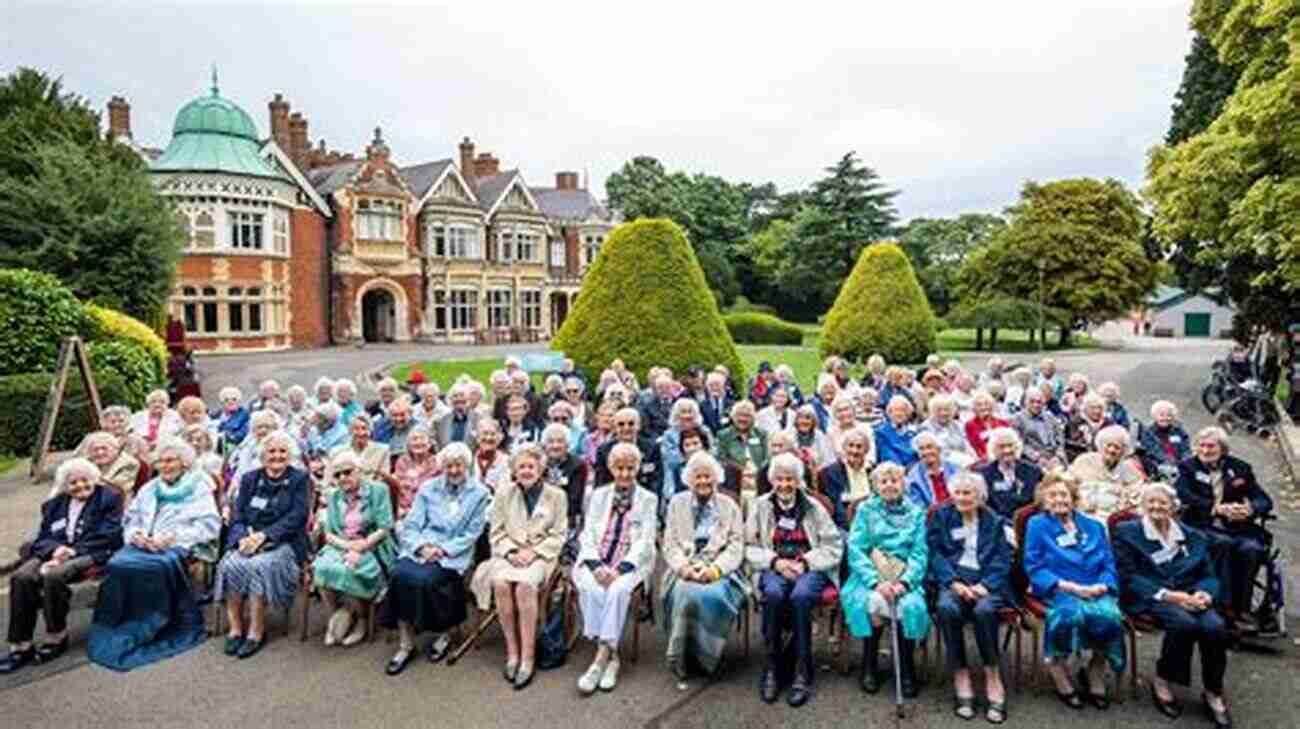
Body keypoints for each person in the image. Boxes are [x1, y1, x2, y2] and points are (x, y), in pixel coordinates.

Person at [87, 439, 220, 671]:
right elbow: (131, 519)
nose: (165, 466)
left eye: (171, 461)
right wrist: (136, 534)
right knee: (117, 563)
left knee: (157, 566)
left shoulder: (199, 487)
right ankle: (122, 620)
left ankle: (160, 623)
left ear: (184, 463)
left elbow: (209, 526)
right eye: (161, 461)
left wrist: (171, 538)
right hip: (144, 542)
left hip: (176, 544)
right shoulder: (150, 487)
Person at [1112, 482, 1232, 727]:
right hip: (1152, 595)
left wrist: (1205, 594)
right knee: (1184, 623)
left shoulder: (1192, 536)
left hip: (1191, 594)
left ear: (1174, 507)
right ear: (1142, 506)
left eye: (1163, 502)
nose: (1156, 506)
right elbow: (1128, 576)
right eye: (1151, 502)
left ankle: (1213, 691)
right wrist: (1170, 596)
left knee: (1215, 627)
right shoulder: (1127, 531)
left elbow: (1208, 574)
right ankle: (1163, 679)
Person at [1, 458, 123, 674]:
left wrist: (71, 552)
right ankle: (21, 645)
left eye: (84, 480)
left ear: (94, 478)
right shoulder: (54, 504)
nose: (80, 486)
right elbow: (42, 536)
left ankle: (56, 635)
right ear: (65, 486)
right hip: (55, 551)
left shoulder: (109, 498)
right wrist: (55, 551)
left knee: (55, 576)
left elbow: (110, 534)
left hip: (91, 551)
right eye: (73, 482)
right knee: (21, 577)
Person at [382, 442, 490, 675]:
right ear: (441, 466)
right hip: (421, 547)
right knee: (398, 575)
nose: (453, 471)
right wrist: (421, 547)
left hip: (453, 552)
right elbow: (412, 524)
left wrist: (442, 550)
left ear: (467, 465)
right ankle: (406, 643)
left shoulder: (479, 493)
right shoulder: (428, 488)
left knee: (428, 580)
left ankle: (445, 632)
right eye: (448, 465)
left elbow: (472, 533)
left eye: (458, 465)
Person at [1023, 470, 1126, 710]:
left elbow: (1109, 563)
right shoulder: (1037, 525)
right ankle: (1057, 667)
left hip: (1096, 585)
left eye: (1064, 494)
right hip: (1059, 586)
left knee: (1109, 616)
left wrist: (1103, 585)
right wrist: (1071, 588)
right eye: (1053, 495)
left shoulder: (1094, 525)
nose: (1059, 500)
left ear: (1074, 497)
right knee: (1068, 616)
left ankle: (1095, 670)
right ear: (1044, 500)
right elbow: (1034, 565)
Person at [746, 453, 842, 707]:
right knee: (774, 595)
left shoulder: (813, 507)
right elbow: (748, 546)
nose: (785, 485)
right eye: (780, 479)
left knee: (801, 596)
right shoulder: (759, 506)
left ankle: (802, 668)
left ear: (798, 481)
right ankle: (772, 667)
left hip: (808, 566)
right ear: (772, 481)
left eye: (790, 479)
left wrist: (806, 563)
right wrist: (775, 562)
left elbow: (833, 546)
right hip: (774, 565)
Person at [471, 445, 568, 690]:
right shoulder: (504, 493)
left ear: (540, 468)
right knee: (501, 584)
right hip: (509, 553)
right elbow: (496, 532)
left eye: (531, 466)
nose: (526, 471)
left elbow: (559, 534)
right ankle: (512, 653)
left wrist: (533, 552)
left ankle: (528, 657)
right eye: (521, 466)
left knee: (525, 586)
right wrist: (511, 552)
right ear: (514, 470)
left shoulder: (556, 495)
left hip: (540, 556)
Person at [214, 431, 309, 659]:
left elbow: (298, 516)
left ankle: (256, 631)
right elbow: (237, 515)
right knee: (230, 564)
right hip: (247, 538)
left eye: (282, 451)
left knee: (259, 566)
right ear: (262, 454)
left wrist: (264, 536)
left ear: (290, 455)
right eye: (272, 451)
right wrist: (241, 539)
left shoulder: (298, 478)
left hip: (283, 541)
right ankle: (236, 628)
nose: (277, 456)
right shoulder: (250, 478)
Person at [573, 443, 659, 695]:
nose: (624, 474)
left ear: (637, 468)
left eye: (630, 468)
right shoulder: (598, 495)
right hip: (597, 559)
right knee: (592, 588)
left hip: (628, 562)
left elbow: (645, 540)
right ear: (611, 468)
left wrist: (620, 568)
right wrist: (596, 565)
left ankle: (600, 659)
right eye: (619, 468)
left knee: (618, 591)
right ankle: (613, 658)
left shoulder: (648, 498)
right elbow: (587, 533)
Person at [927, 472, 1012, 723]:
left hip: (986, 583)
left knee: (984, 611)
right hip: (953, 580)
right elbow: (935, 554)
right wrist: (953, 582)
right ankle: (960, 671)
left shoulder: (994, 521)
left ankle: (992, 673)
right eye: (958, 493)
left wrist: (986, 585)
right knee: (947, 608)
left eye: (968, 493)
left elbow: (1002, 559)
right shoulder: (942, 517)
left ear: (980, 496)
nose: (962, 498)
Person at [841, 462, 929, 698]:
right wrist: (875, 581)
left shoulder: (916, 512)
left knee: (910, 606)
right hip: (870, 574)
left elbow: (919, 553)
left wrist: (905, 582)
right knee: (871, 603)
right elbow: (856, 549)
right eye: (884, 481)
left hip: (903, 575)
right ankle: (869, 664)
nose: (890, 485)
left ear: (903, 484)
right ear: (875, 485)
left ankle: (906, 666)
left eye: (895, 480)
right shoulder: (866, 510)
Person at [661, 451, 747, 686]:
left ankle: (706, 656)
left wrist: (716, 570)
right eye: (697, 477)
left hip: (720, 569)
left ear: (716, 478)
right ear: (689, 479)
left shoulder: (729, 506)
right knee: (685, 593)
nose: (703, 482)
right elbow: (669, 544)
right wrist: (683, 569)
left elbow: (736, 546)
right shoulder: (676, 503)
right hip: (686, 567)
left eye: (707, 476)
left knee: (712, 594)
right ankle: (682, 657)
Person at [1174, 426, 1273, 628]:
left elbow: (1263, 500)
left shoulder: (1240, 468)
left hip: (1238, 527)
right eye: (1201, 446)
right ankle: (1224, 606)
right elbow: (1183, 494)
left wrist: (1250, 509)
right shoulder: (1188, 467)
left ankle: (1242, 608)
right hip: (1202, 525)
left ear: (1223, 448)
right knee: (1223, 543)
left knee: (1251, 549)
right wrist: (1215, 508)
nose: (1205, 450)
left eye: (1210, 446)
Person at [313, 449, 397, 647]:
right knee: (321, 568)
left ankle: (361, 619)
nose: (343, 477)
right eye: (338, 474)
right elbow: (330, 533)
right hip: (342, 543)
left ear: (359, 471)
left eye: (348, 472)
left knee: (351, 569)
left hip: (372, 544)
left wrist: (362, 546)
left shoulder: (378, 491)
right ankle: (335, 619)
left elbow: (385, 527)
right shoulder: (334, 496)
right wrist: (347, 546)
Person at [1070, 425, 1144, 524]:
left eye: (1117, 447)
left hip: (1115, 518)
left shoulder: (1130, 469)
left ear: (1123, 451)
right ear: (1100, 445)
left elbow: (1136, 496)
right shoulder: (1084, 461)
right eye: (1108, 445)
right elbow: (1070, 486)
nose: (1111, 450)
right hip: (1085, 513)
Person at [976, 428, 1043, 519]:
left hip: (1027, 521)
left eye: (1010, 445)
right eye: (1001, 447)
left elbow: (1037, 503)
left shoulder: (1034, 471)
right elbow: (986, 507)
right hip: (998, 523)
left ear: (1017, 447)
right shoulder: (983, 474)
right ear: (993, 449)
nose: (1007, 450)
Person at [817, 426, 874, 532]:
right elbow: (836, 508)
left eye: (859, 447)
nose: (854, 450)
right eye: (850, 446)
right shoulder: (830, 472)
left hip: (872, 519)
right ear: (844, 448)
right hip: (845, 523)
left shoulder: (873, 471)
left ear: (866, 450)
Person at [594, 408, 661, 492]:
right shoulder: (603, 451)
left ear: (639, 426)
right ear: (614, 427)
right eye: (621, 424)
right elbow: (600, 483)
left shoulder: (652, 448)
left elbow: (656, 481)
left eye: (631, 424)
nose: (626, 428)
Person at [328, 412, 392, 490]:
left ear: (370, 431)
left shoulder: (383, 450)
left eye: (364, 428)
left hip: (371, 493)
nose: (360, 433)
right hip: (343, 492)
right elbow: (329, 479)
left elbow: (383, 479)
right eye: (356, 429)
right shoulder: (336, 451)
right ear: (350, 431)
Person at [717, 400, 768, 495]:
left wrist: (757, 472)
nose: (743, 419)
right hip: (734, 480)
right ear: (733, 417)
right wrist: (741, 470)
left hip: (758, 478)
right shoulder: (723, 435)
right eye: (739, 415)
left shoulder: (761, 434)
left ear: (753, 418)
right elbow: (721, 458)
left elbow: (767, 457)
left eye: (747, 416)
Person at [75, 430, 142, 501]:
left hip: (117, 503)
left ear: (115, 449)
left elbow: (117, 489)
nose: (100, 452)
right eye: (95, 449)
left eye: (104, 448)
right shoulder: (86, 463)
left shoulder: (129, 463)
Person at [391, 427, 441, 520]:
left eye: (422, 438)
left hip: (429, 511)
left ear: (429, 444)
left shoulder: (437, 463)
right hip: (404, 511)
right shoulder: (402, 462)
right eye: (414, 439)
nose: (418, 442)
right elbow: (398, 489)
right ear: (409, 445)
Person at [904, 432, 961, 509]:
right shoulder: (913, 477)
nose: (926, 452)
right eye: (921, 449)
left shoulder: (954, 468)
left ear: (938, 449)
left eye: (929, 447)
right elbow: (919, 506)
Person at [1138, 400, 1191, 482]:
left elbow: (1186, 449)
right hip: (1158, 466)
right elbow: (1153, 450)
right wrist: (1170, 463)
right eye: (1161, 415)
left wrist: (1184, 462)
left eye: (1169, 415)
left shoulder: (1179, 431)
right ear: (1155, 416)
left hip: (1180, 465)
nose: (1165, 418)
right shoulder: (1148, 432)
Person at [919, 394, 977, 468]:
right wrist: (964, 460)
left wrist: (974, 457)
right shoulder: (926, 428)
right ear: (932, 412)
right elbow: (939, 452)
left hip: (965, 459)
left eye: (947, 409)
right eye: (939, 410)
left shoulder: (958, 425)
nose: (943, 413)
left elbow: (966, 444)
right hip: (943, 463)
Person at [1013, 389, 1065, 468]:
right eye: (1032, 402)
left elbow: (1060, 437)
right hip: (1033, 459)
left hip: (1055, 456)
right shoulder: (1018, 418)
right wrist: (1037, 457)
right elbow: (1019, 443)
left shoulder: (1049, 416)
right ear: (1025, 403)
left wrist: (1058, 455)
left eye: (1039, 402)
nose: (1036, 405)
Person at [131, 388, 184, 455]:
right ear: (148, 404)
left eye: (162, 402)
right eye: (153, 402)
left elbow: (178, 435)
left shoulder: (174, 416)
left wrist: (158, 442)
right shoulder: (138, 416)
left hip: (167, 450)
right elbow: (131, 433)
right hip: (142, 451)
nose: (157, 404)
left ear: (167, 404)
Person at [874, 395, 919, 468]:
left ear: (908, 413)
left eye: (902, 410)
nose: (899, 414)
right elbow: (887, 455)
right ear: (889, 413)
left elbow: (918, 454)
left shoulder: (915, 431)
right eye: (896, 410)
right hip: (892, 470)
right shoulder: (881, 432)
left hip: (913, 470)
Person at [964, 392, 1010, 463]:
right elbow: (975, 447)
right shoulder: (970, 425)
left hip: (1004, 456)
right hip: (985, 460)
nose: (984, 407)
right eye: (979, 405)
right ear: (974, 409)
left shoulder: (1003, 423)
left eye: (986, 404)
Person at [1065, 393, 1111, 462]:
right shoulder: (1075, 423)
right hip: (1080, 460)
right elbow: (1071, 445)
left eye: (1100, 408)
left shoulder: (1108, 423)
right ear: (1085, 408)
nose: (1097, 411)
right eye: (1093, 408)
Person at [790, 404, 836, 473]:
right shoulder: (789, 435)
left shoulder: (819, 435)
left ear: (813, 421)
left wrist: (816, 469)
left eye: (808, 418)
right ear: (796, 420)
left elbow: (829, 460)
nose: (804, 421)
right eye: (800, 418)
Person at [435, 383, 480, 451]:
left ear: (468, 398)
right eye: (455, 396)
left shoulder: (478, 418)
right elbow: (439, 444)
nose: (459, 399)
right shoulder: (443, 419)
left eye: (462, 395)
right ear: (450, 399)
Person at [474, 419, 511, 493]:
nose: (488, 438)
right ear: (477, 437)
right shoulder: (469, 460)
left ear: (500, 438)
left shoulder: (507, 462)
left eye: (493, 434)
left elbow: (505, 489)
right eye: (485, 433)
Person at [213, 387, 250, 452]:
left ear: (239, 402)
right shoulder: (216, 415)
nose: (230, 402)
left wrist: (225, 437)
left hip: (236, 447)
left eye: (234, 399)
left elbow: (242, 434)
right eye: (226, 400)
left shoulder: (244, 415)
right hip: (219, 446)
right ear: (222, 403)